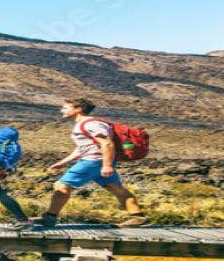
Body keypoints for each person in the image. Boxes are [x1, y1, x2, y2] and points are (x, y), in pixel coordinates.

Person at [34, 98, 148, 228]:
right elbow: (83, 148)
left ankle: (50, 217)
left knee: (61, 185)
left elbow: (107, 143)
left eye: (65, 108)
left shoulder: (91, 124)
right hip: (98, 161)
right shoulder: (86, 124)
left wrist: (107, 165)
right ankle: (137, 217)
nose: (62, 110)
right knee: (115, 187)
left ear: (78, 109)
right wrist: (63, 162)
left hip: (92, 161)